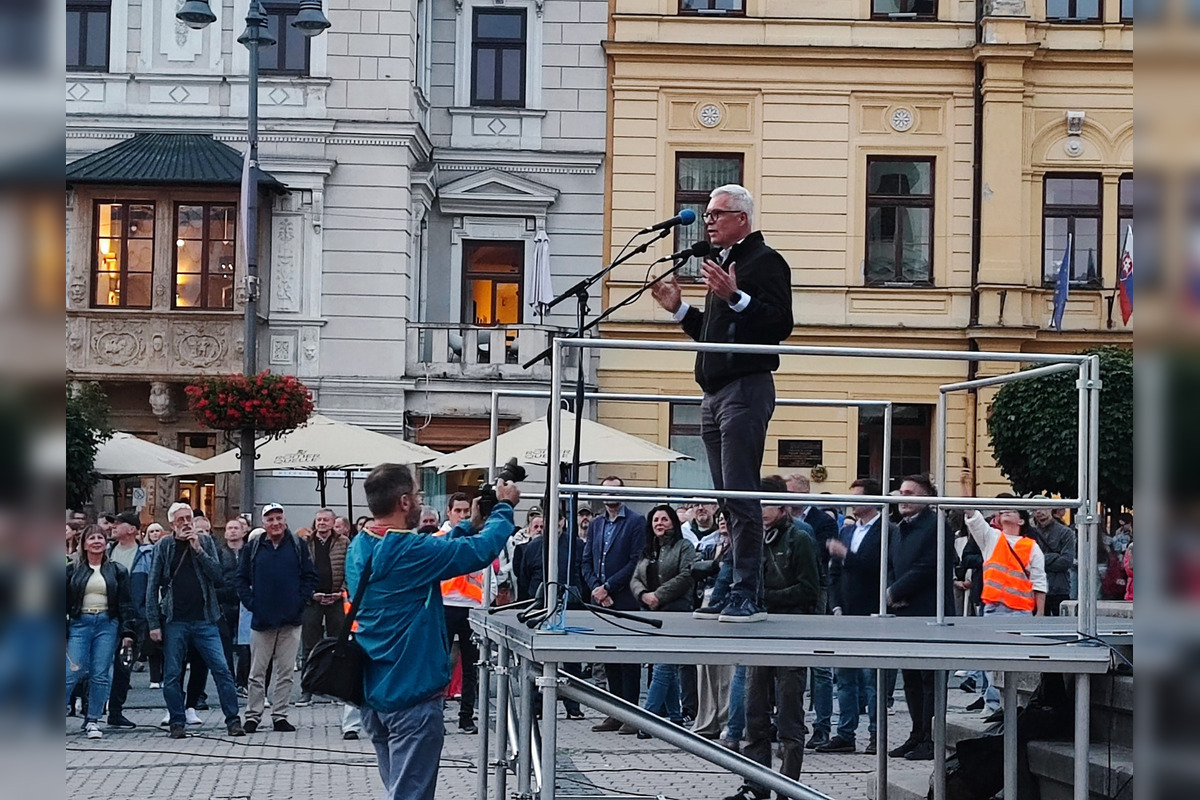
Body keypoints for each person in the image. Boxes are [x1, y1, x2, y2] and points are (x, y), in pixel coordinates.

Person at [651, 184, 793, 623]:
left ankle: (746, 592)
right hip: (713, 395)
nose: (708, 220)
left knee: (740, 494)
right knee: (726, 498)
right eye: (707, 214)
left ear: (742, 220)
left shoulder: (764, 262)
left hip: (745, 389)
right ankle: (733, 584)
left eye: (717, 213)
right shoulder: (724, 265)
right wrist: (679, 310)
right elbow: (715, 338)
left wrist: (736, 297)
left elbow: (779, 325)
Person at [346, 463, 520, 800]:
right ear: (405, 502)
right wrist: (504, 508)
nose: (421, 500)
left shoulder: (361, 546)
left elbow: (435, 552)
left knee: (399, 789)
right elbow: (479, 553)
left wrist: (468, 525)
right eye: (417, 494)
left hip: (375, 692)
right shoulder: (409, 551)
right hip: (412, 693)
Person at [724, 476, 820, 800]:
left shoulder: (800, 537)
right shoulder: (754, 537)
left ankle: (788, 788)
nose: (760, 509)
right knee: (754, 715)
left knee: (790, 721)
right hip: (758, 635)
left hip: (791, 637)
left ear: (782, 505)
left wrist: (765, 599)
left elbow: (809, 589)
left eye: (766, 503)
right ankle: (755, 785)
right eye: (757, 503)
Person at [145, 502, 245, 738]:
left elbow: (218, 576)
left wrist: (198, 549)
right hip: (175, 619)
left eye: (188, 518)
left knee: (221, 669)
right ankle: (177, 721)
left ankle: (233, 720)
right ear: (172, 524)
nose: (186, 523)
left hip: (205, 619)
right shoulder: (164, 546)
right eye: (180, 519)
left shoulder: (206, 541)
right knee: (172, 672)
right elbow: (152, 586)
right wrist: (153, 623)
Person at [820, 478, 895, 756]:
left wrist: (846, 555)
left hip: (873, 612)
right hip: (846, 613)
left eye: (858, 496)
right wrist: (835, 604)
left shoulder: (887, 531)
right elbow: (835, 572)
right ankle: (846, 733)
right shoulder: (849, 532)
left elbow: (879, 568)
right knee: (845, 677)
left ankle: (877, 734)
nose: (852, 501)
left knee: (872, 679)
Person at [886, 475, 954, 762]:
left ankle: (930, 737)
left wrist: (896, 590)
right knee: (911, 678)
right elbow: (890, 563)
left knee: (930, 679)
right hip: (904, 612)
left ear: (926, 498)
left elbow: (930, 565)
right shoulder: (900, 528)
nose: (904, 498)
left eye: (911, 493)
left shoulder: (938, 526)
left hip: (929, 611)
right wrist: (892, 591)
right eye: (901, 493)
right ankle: (916, 733)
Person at [237, 503, 317, 733]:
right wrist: (252, 604)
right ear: (264, 524)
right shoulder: (253, 547)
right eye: (270, 519)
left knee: (285, 672)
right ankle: (253, 715)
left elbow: (310, 577)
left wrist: (299, 602)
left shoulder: (296, 545)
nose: (275, 523)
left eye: (279, 518)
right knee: (256, 673)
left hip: (291, 620)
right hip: (262, 620)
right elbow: (240, 579)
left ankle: (280, 715)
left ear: (285, 520)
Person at [581, 476, 646, 732]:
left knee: (628, 660)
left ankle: (631, 715)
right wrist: (597, 588)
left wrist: (609, 587)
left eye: (616, 491)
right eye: (607, 491)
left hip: (624, 598)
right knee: (607, 656)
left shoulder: (636, 522)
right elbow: (586, 560)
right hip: (601, 601)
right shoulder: (596, 524)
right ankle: (614, 712)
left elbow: (635, 561)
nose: (611, 496)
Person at [630, 505, 697, 737]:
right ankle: (676, 718)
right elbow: (636, 577)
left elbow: (687, 575)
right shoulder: (648, 550)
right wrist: (643, 595)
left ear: (673, 523)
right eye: (656, 520)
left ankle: (647, 720)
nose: (659, 523)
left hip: (676, 612)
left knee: (663, 666)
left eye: (664, 519)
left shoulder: (684, 547)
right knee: (664, 664)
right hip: (652, 614)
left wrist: (660, 595)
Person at [66, 526, 137, 739]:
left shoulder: (117, 570)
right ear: (84, 544)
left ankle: (93, 719)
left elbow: (126, 603)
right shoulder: (71, 569)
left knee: (100, 673)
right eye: (92, 538)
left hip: (107, 624)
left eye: (100, 538)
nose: (96, 541)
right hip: (80, 623)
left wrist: (127, 633)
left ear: (106, 543)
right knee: (72, 671)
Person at [786, 473, 838, 750]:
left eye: (791, 492)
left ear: (805, 493)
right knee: (791, 665)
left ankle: (823, 726)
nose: (786, 498)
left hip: (817, 594)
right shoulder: (782, 521)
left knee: (820, 667)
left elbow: (820, 555)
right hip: (789, 597)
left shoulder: (823, 521)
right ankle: (793, 722)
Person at [523, 508, 588, 721]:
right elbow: (523, 576)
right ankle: (537, 705)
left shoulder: (576, 545)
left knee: (572, 660)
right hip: (540, 606)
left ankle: (573, 705)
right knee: (538, 659)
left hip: (570, 605)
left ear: (562, 522)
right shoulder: (532, 547)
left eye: (557, 520)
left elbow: (583, 573)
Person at [435, 492, 485, 734]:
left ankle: (467, 716)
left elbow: (488, 576)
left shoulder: (477, 539)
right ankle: (437, 715)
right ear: (449, 512)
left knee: (471, 666)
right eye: (459, 511)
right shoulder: (439, 538)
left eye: (467, 511)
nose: (463, 515)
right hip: (444, 606)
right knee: (440, 664)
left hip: (472, 608)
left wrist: (486, 604)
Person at [104, 511, 153, 728]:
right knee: (98, 665)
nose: (113, 527)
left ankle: (116, 711)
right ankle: (91, 710)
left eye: (118, 523)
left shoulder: (146, 554)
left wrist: (148, 615)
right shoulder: (107, 552)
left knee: (123, 666)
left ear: (132, 529)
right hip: (107, 616)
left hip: (134, 618)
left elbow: (153, 586)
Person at [299, 507, 349, 706]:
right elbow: (300, 571)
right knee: (309, 647)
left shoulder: (344, 543)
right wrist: (311, 594)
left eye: (326, 520)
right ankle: (307, 690)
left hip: (336, 599)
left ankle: (336, 690)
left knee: (338, 645)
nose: (322, 523)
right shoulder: (305, 543)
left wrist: (342, 592)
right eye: (319, 520)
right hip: (313, 600)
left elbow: (349, 568)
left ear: (333, 522)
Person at [218, 517, 251, 694]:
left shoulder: (249, 551)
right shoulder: (220, 552)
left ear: (243, 531)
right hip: (225, 602)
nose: (232, 531)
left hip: (245, 604)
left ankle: (242, 682)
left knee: (245, 645)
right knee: (226, 646)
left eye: (235, 528)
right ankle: (228, 680)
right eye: (229, 528)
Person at [1031, 505, 1077, 616]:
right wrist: (1054, 556)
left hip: (1059, 587)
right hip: (1035, 588)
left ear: (1050, 509)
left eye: (1042, 508)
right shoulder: (1030, 533)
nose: (1039, 512)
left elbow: (1066, 561)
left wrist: (1039, 562)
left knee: (1060, 626)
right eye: (1035, 509)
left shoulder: (1065, 532)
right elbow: (1027, 561)